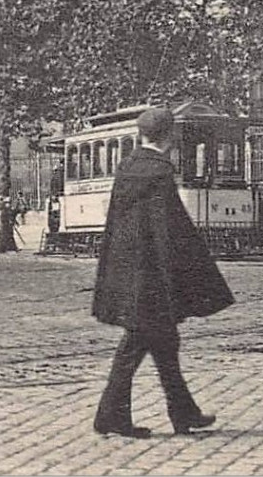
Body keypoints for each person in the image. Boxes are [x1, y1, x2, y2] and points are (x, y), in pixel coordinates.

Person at [92, 108, 232, 438]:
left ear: (141, 135)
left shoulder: (126, 168)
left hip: (130, 277)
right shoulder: (160, 173)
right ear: (169, 137)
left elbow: (117, 228)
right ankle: (114, 416)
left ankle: (181, 414)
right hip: (153, 281)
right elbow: (171, 232)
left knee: (163, 345)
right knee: (142, 346)